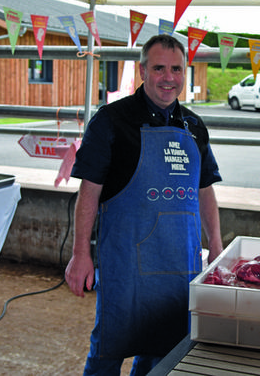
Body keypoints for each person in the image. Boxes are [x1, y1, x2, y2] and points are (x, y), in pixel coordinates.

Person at [65, 34, 223, 376]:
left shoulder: (194, 126)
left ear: (185, 72)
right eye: (159, 68)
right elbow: (88, 193)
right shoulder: (111, 121)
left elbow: (205, 190)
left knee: (164, 351)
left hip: (180, 264)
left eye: (176, 69)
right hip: (126, 266)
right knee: (108, 349)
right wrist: (81, 255)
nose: (169, 78)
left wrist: (217, 247)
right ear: (142, 71)